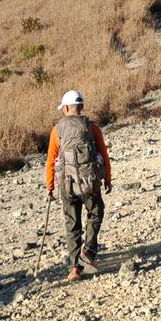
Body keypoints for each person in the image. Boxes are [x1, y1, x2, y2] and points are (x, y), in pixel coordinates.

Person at [45, 89, 112, 280]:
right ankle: (89, 251)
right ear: (81, 107)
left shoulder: (56, 130)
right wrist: (107, 179)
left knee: (72, 224)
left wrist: (49, 186)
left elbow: (51, 160)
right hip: (90, 182)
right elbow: (104, 156)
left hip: (67, 185)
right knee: (96, 212)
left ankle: (75, 269)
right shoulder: (92, 128)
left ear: (66, 108)